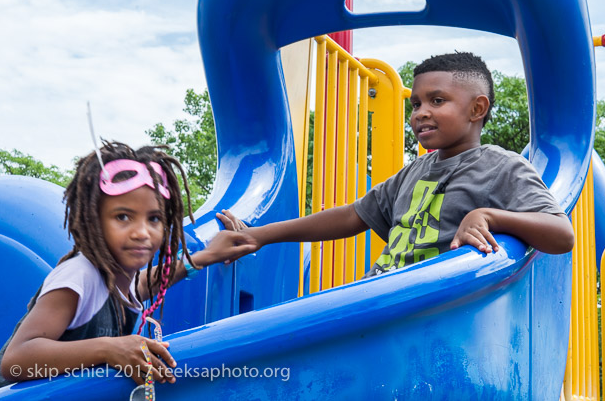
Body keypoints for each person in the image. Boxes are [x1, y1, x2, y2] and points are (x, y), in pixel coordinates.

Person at [216, 51, 575, 277]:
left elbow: (562, 234)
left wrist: (488, 216)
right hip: (383, 294)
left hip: (433, 309)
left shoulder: (502, 166)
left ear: (477, 109)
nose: (421, 113)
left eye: (437, 100)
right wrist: (257, 235)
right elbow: (350, 216)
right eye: (416, 104)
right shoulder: (414, 172)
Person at [0, 142, 245, 387]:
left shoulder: (118, 279)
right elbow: (15, 361)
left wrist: (204, 257)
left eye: (154, 218)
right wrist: (108, 348)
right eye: (123, 217)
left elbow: (146, 282)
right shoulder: (79, 275)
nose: (141, 232)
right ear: (93, 221)